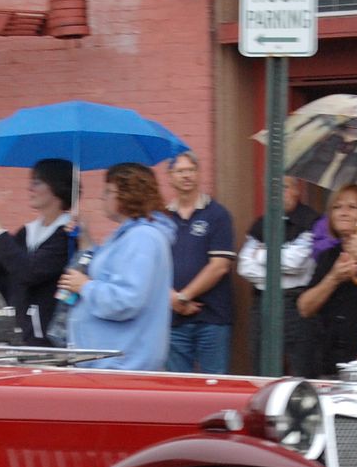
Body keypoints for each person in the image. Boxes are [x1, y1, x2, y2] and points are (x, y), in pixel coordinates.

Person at [57, 162, 175, 371]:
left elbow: (126, 300)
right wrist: (85, 239)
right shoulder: (128, 235)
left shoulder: (142, 238)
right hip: (111, 361)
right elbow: (109, 274)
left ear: (128, 194)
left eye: (108, 191)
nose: (103, 197)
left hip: (122, 363)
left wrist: (84, 287)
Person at [0, 159, 77, 345]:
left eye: (37, 182)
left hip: (50, 339)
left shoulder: (67, 235)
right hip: (20, 334)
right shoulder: (26, 233)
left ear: (57, 187)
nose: (29, 188)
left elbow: (29, 272)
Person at [162, 152, 236, 373]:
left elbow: (220, 266)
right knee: (177, 389)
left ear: (199, 174)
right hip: (173, 321)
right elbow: (152, 266)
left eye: (191, 170)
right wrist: (171, 298)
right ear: (170, 177)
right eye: (180, 171)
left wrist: (183, 297)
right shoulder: (162, 217)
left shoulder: (217, 215)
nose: (186, 176)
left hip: (212, 319)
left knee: (215, 385)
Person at [238, 175, 318, 375]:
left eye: (285, 187)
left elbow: (295, 263)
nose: (279, 193)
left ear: (298, 189)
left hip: (295, 304)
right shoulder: (262, 223)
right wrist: (279, 262)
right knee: (261, 368)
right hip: (262, 303)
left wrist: (262, 254)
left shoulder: (311, 220)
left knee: (301, 370)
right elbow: (244, 267)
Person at [297, 185, 357, 377]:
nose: (343, 213)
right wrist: (333, 278)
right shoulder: (329, 257)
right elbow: (305, 307)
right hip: (326, 360)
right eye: (337, 207)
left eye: (352, 207)